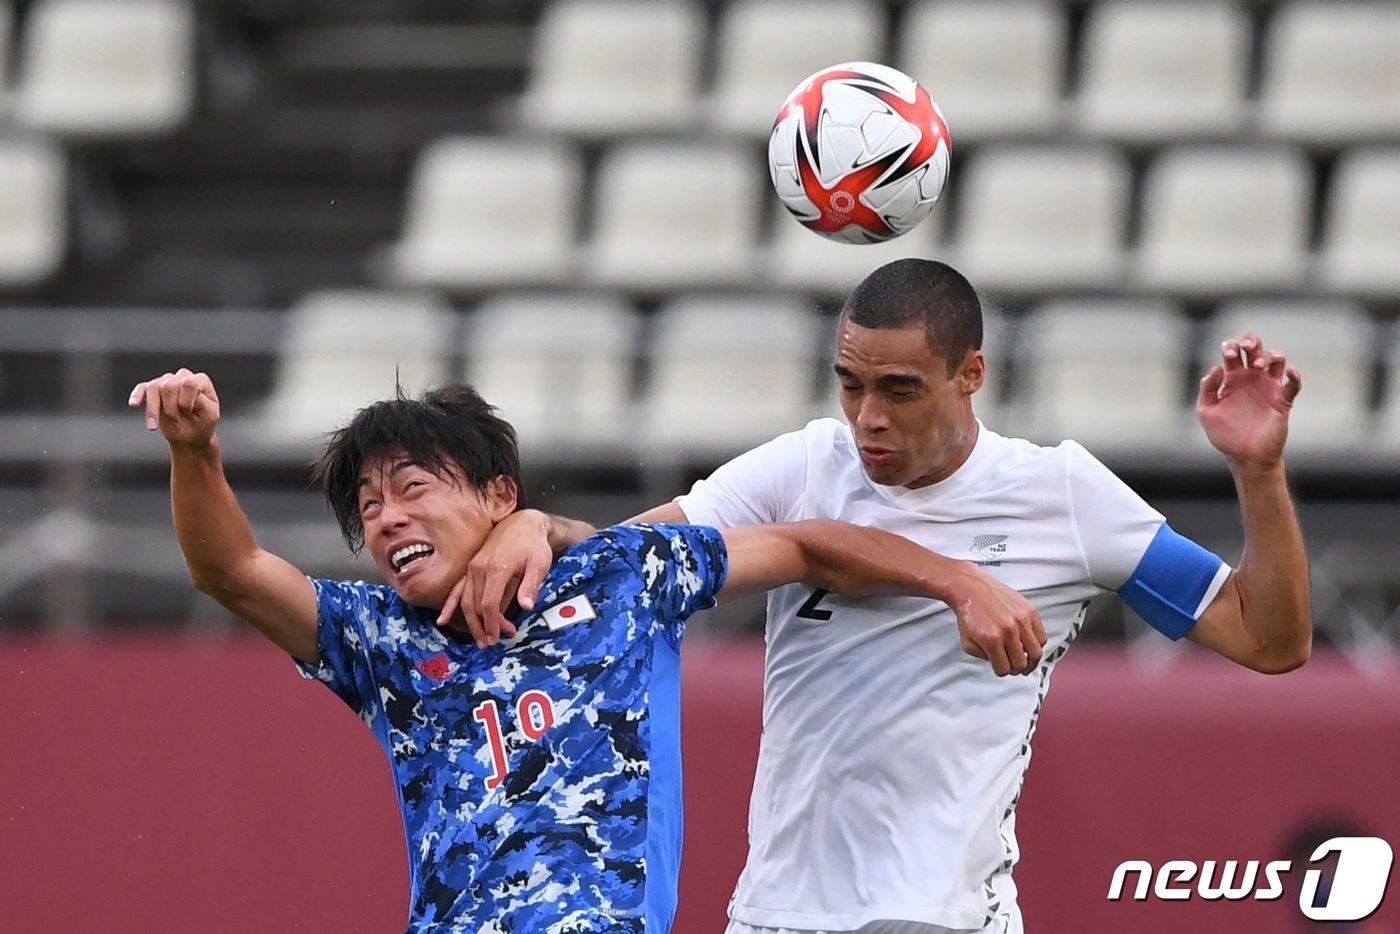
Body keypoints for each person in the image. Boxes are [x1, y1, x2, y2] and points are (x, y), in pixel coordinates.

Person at [453, 259, 1313, 933]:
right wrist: (539, 528)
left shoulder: (1063, 495)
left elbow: (1267, 640)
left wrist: (1257, 471)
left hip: (943, 915)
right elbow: (625, 563)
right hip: (778, 913)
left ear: (970, 373)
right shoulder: (803, 467)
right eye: (851, 383)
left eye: (900, 389)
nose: (869, 416)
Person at [127, 369, 1044, 933]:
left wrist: (958, 580)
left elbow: (807, 546)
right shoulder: (382, 643)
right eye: (367, 507)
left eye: (410, 487)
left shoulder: (616, 579)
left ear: (498, 494)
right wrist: (196, 450)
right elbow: (235, 570)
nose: (388, 517)